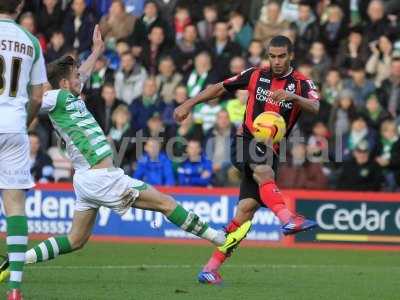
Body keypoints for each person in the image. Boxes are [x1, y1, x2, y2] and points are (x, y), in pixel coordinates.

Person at [0, 26, 252, 294]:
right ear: (64, 83)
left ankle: (14, 262)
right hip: (102, 177)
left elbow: (82, 71)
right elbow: (32, 99)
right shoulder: (54, 97)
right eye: (75, 76)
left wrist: (97, 49)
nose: (81, 77)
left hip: (87, 178)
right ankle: (220, 238)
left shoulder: (70, 94)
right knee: (166, 203)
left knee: (75, 240)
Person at [174, 35, 319, 284]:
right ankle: (287, 218)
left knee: (245, 212)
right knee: (263, 171)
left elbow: (315, 107)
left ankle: (210, 269)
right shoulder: (254, 75)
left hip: (271, 149)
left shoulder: (301, 83)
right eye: (272, 56)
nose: (276, 61)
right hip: (245, 141)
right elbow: (219, 87)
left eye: (281, 56)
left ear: (290, 55)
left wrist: (293, 97)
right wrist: (189, 103)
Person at [0, 1, 47, 298]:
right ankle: (15, 288)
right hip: (15, 127)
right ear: (19, 6)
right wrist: (25, 121)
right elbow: (39, 96)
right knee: (15, 206)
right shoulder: (30, 41)